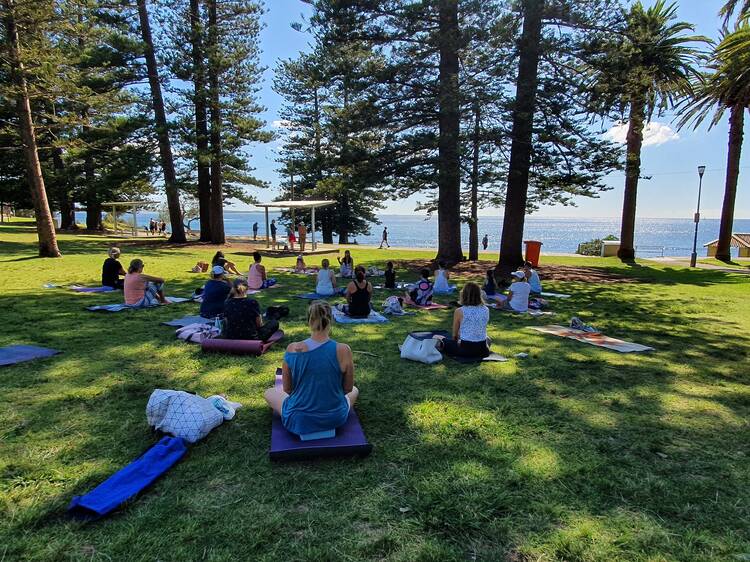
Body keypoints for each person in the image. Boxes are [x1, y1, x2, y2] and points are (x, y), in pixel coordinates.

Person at [263, 300, 358, 437]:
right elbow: (348, 389)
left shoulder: (292, 349)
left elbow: (288, 389)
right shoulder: (344, 350)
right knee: (355, 390)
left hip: (299, 419)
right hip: (334, 418)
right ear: (330, 320)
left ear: (309, 321)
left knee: (269, 392)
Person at [434, 282, 490, 359]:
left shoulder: (459, 311)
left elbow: (454, 335)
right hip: (483, 350)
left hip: (464, 351)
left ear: (464, 295)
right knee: (487, 338)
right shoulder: (486, 309)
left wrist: (455, 343)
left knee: (437, 337)